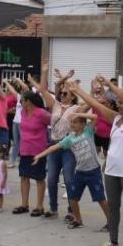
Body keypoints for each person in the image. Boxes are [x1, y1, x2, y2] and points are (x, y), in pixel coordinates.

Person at [72, 76, 123, 246]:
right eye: (118, 103)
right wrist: (78, 90)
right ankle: (113, 242)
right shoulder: (115, 119)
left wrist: (110, 85)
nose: (119, 105)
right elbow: (94, 104)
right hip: (111, 171)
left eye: (122, 103)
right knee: (113, 208)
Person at [33, 113, 110, 230]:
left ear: (83, 124)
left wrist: (77, 113)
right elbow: (53, 147)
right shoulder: (69, 138)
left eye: (75, 122)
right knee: (72, 197)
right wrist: (39, 155)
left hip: (93, 171)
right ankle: (78, 220)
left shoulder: (88, 131)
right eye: (71, 122)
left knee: (100, 198)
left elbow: (95, 117)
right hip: (80, 172)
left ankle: (111, 221)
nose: (72, 124)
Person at [38, 68, 81, 219]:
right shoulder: (55, 105)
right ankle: (53, 208)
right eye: (61, 93)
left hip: (68, 147)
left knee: (69, 180)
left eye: (65, 94)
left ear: (73, 96)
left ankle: (71, 210)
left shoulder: (76, 108)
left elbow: (90, 102)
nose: (62, 95)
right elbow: (43, 89)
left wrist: (69, 81)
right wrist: (45, 72)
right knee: (51, 179)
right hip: (53, 144)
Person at [13, 74, 52, 216]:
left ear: (28, 101)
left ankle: (39, 206)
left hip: (38, 151)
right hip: (25, 149)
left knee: (39, 178)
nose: (20, 102)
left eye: (22, 100)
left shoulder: (41, 113)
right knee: (24, 177)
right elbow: (25, 90)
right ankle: (24, 204)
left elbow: (53, 122)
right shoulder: (23, 112)